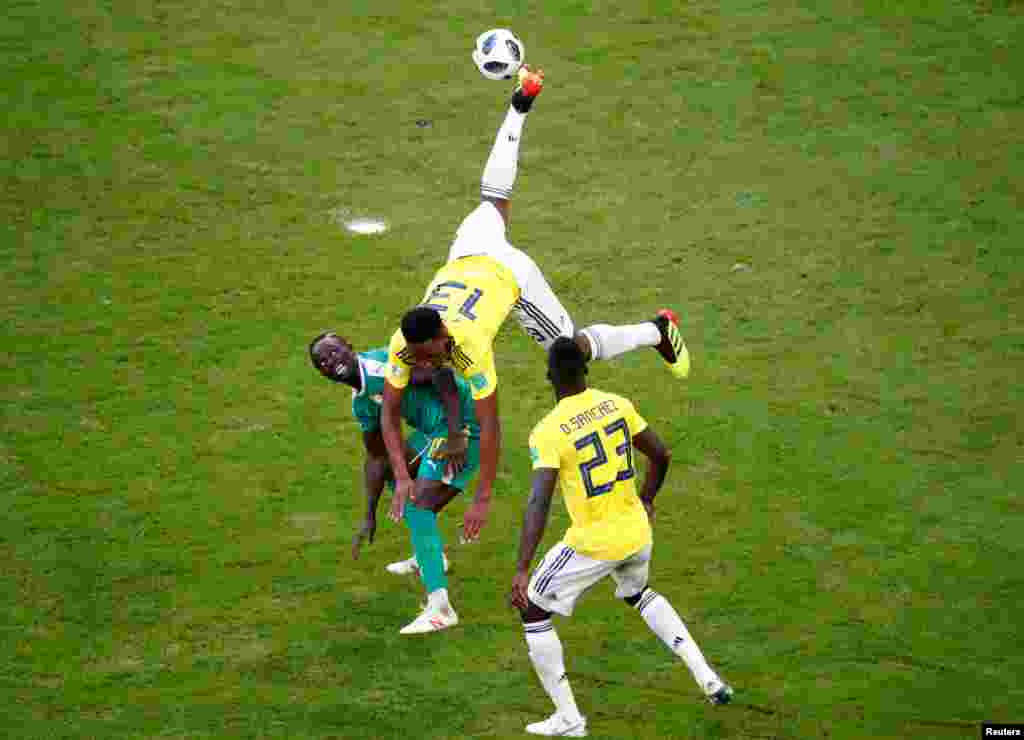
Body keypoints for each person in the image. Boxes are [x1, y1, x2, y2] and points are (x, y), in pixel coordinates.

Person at [381, 66, 692, 545]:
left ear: (444, 335)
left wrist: (482, 497)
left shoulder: (468, 347)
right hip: (465, 254)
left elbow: (490, 425)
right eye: (421, 355)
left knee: (569, 349)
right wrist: (402, 478)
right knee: (494, 197)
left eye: (431, 353)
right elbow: (389, 411)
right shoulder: (405, 343)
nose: (425, 361)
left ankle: (658, 330)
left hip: (511, 275)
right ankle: (520, 102)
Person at [508, 338, 732, 737]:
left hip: (593, 544)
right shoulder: (617, 403)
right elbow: (660, 455)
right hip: (636, 532)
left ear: (549, 377)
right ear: (585, 370)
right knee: (638, 593)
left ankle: (569, 719)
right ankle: (708, 677)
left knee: (532, 608)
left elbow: (539, 500)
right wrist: (645, 499)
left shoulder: (547, 431)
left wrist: (523, 568)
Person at [309, 331, 477, 634]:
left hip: (462, 426)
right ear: (320, 373)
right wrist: (369, 516)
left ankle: (441, 609)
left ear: (350, 346)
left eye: (334, 352)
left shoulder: (384, 367)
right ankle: (431, 555)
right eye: (322, 361)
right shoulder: (362, 402)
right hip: (434, 430)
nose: (330, 362)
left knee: (417, 507)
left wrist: (455, 436)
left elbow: (445, 378)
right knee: (397, 472)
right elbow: (377, 457)